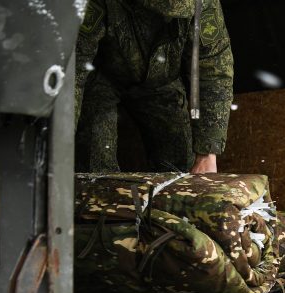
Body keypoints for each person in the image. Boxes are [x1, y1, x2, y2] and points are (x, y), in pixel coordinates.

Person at [74, 0, 234, 174]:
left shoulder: (203, 3)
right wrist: (60, 136)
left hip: (161, 83)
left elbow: (213, 69)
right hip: (102, 78)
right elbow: (74, 67)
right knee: (95, 165)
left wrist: (207, 154)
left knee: (180, 167)